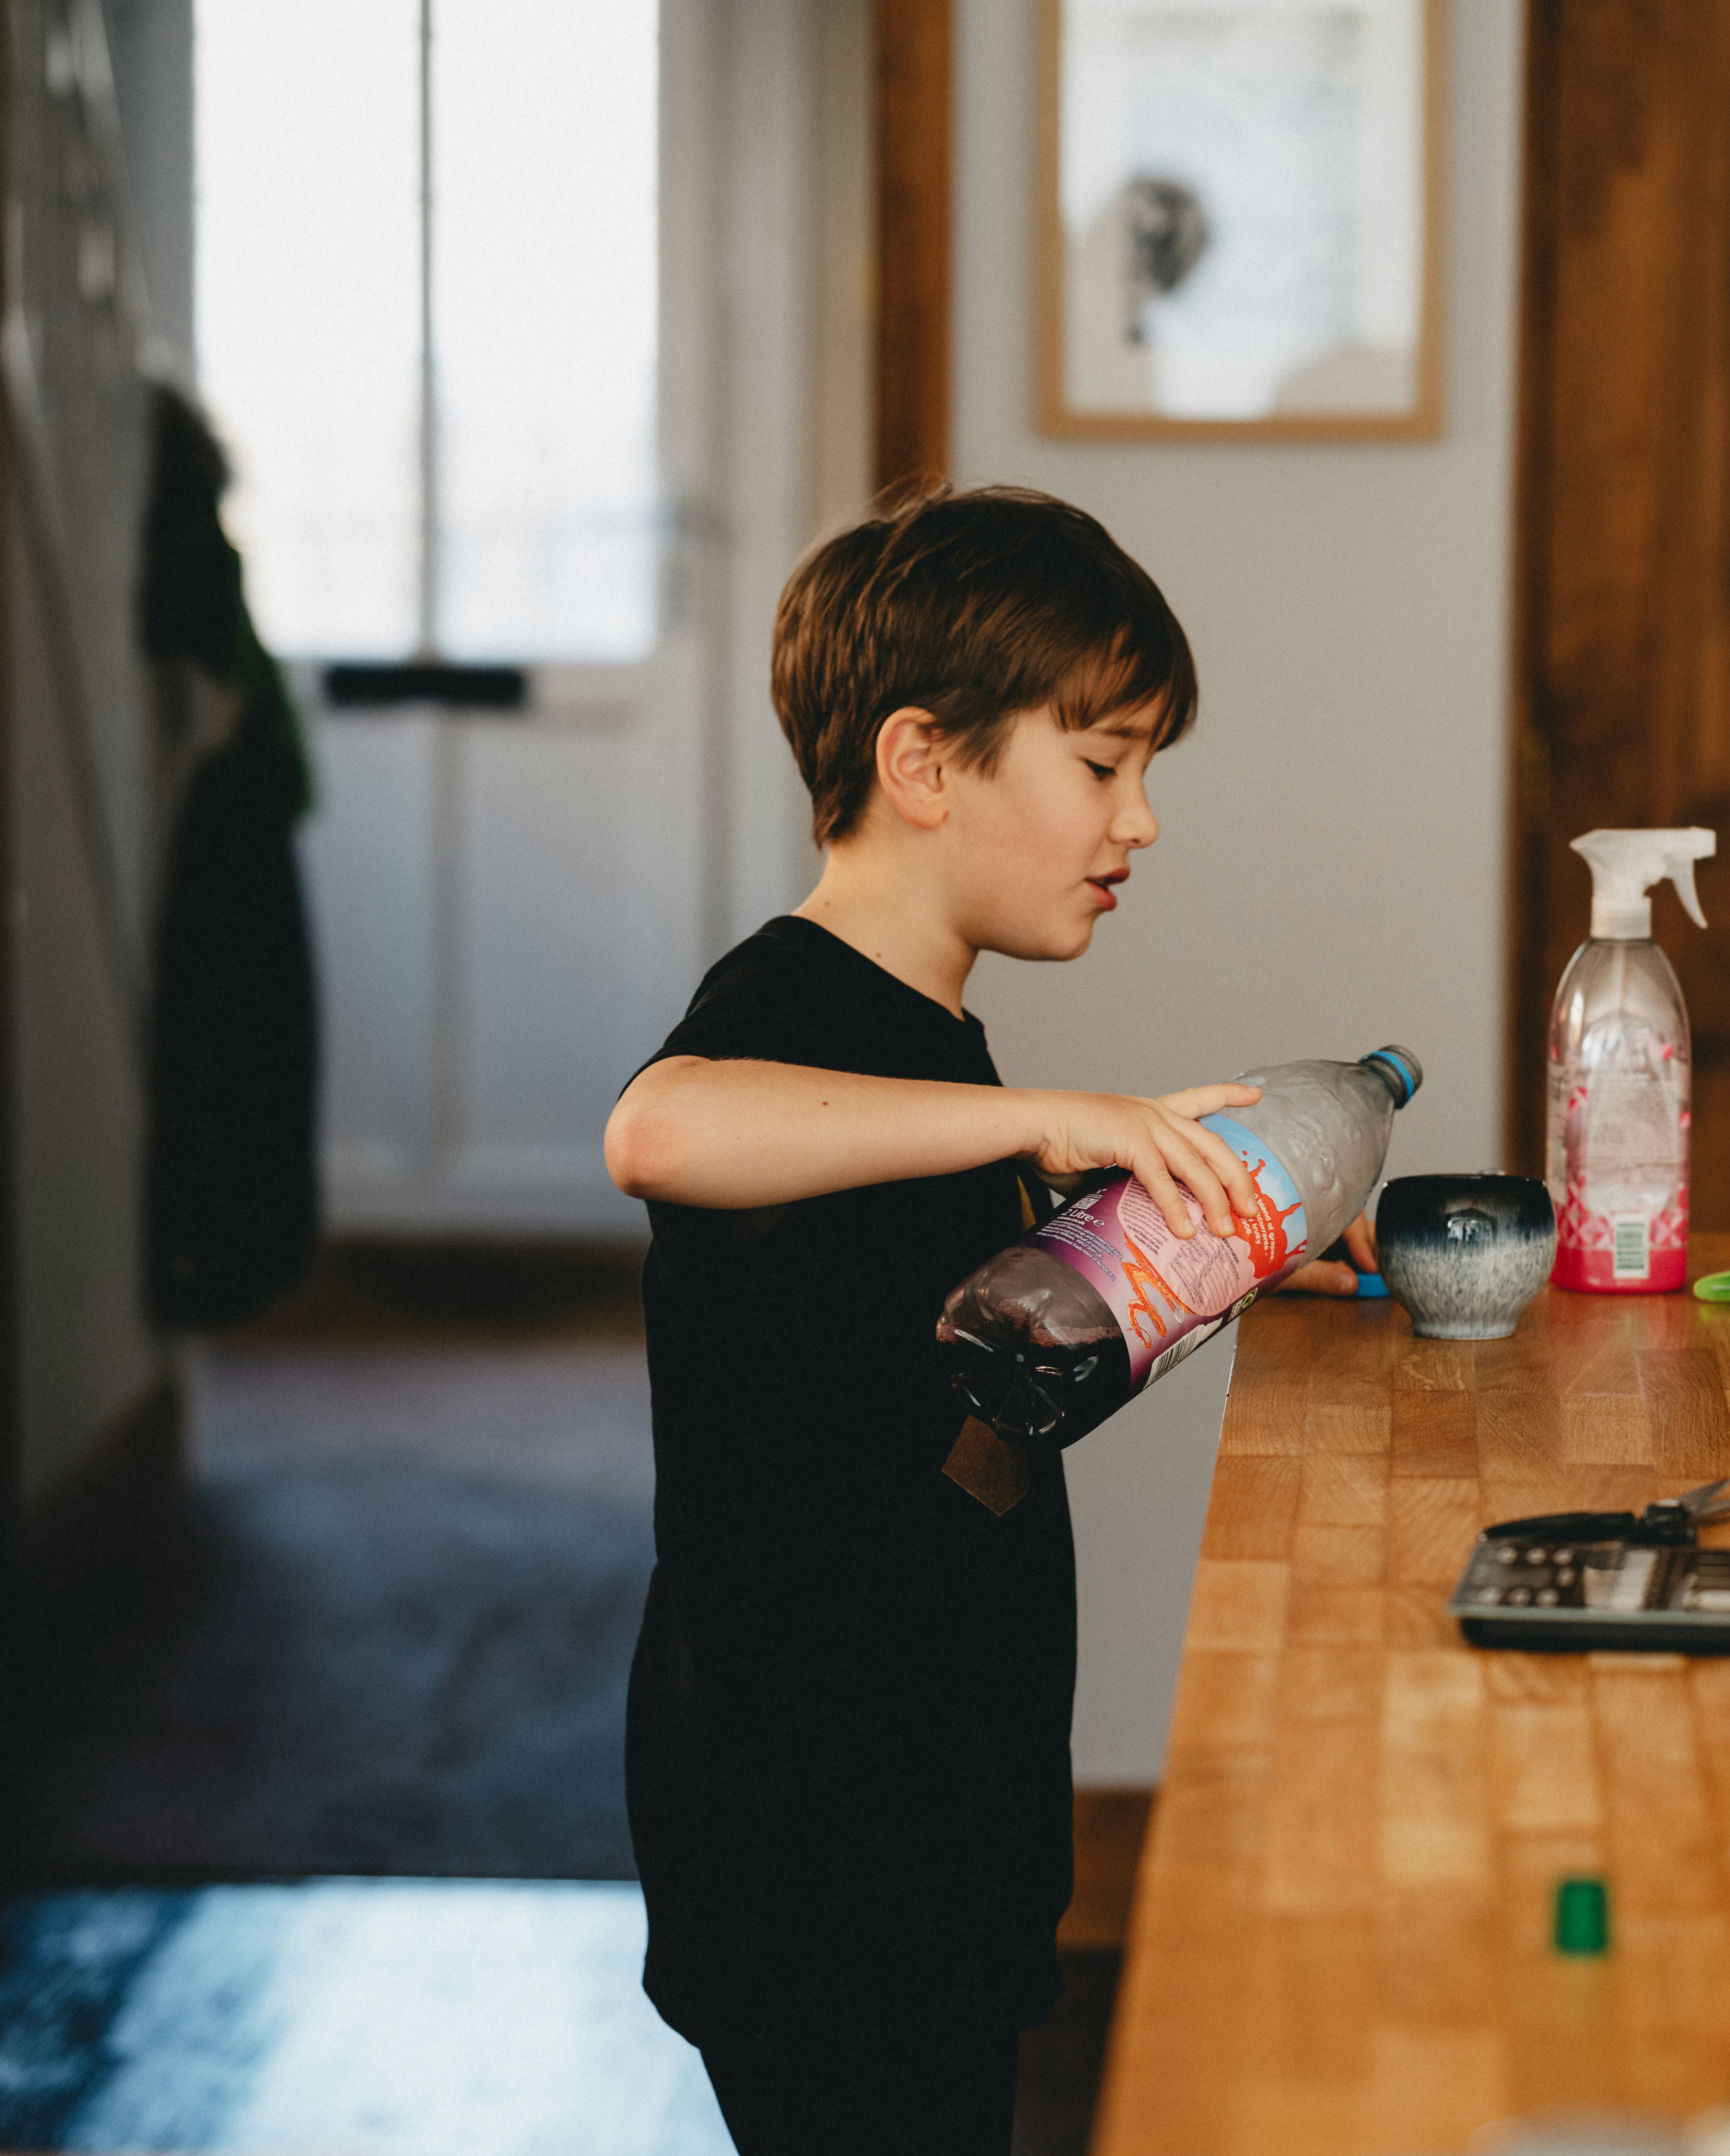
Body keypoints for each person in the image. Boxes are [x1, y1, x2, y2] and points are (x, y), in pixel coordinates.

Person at [601, 485, 1375, 2154]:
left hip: (934, 1797)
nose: (1142, 820)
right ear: (924, 764)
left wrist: (1200, 1254)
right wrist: (1044, 1125)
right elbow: (657, 1128)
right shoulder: (794, 1005)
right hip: (808, 1820)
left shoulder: (936, 1046)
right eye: (1103, 765)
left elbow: (954, 1353)